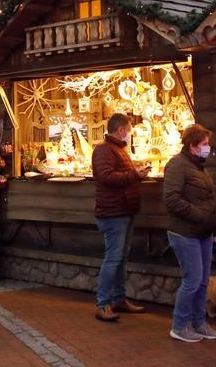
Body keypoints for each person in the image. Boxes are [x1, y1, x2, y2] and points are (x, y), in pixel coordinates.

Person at [163, 123, 216, 343]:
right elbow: (171, 199)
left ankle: (199, 322)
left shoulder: (198, 167)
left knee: (203, 281)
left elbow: (209, 200)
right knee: (193, 280)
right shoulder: (178, 165)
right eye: (205, 144)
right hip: (184, 232)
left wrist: (214, 227)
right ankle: (179, 326)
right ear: (192, 146)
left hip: (203, 232)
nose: (208, 148)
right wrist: (198, 215)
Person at [91, 112, 150, 322]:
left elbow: (122, 176)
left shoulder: (119, 150)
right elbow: (106, 177)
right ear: (122, 130)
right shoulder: (104, 150)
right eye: (130, 130)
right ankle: (103, 304)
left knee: (121, 258)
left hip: (125, 210)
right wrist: (135, 175)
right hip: (113, 213)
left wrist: (137, 174)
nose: (131, 134)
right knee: (113, 258)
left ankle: (118, 299)